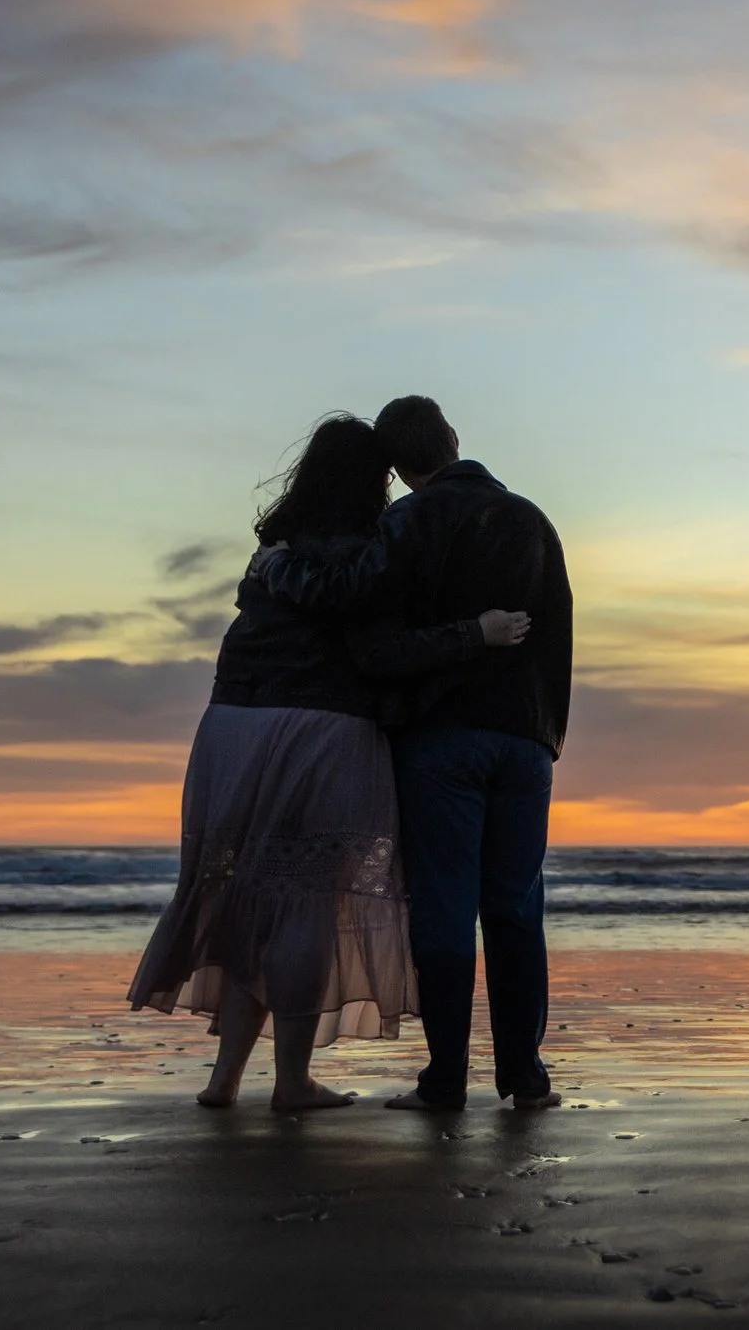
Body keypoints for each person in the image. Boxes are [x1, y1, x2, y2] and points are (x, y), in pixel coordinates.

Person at [127, 415, 532, 1110]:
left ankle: (225, 1079)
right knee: (307, 906)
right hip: (322, 730)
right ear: (376, 480)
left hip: (231, 727)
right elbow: (378, 644)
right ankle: (291, 1081)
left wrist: (279, 567)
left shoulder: (272, 549)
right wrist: (475, 633)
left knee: (249, 897)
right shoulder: (371, 550)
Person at [258, 395, 574, 1112]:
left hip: (442, 736)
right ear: (454, 437)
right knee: (516, 910)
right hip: (526, 738)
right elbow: (555, 636)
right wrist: (546, 734)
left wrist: (281, 569)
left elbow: (365, 625)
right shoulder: (532, 520)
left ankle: (446, 1080)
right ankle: (525, 1076)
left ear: (397, 468)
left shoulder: (403, 523)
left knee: (446, 908)